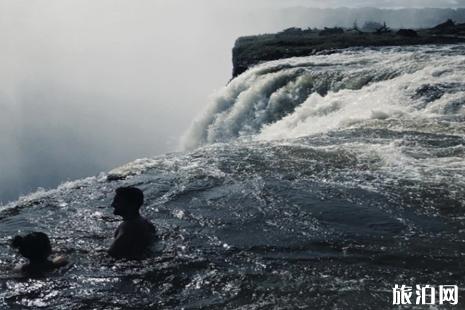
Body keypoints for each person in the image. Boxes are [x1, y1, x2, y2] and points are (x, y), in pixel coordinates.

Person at [108, 186, 156, 259]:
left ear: (131, 205)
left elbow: (111, 255)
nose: (113, 204)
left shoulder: (127, 228)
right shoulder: (146, 222)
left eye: (117, 201)